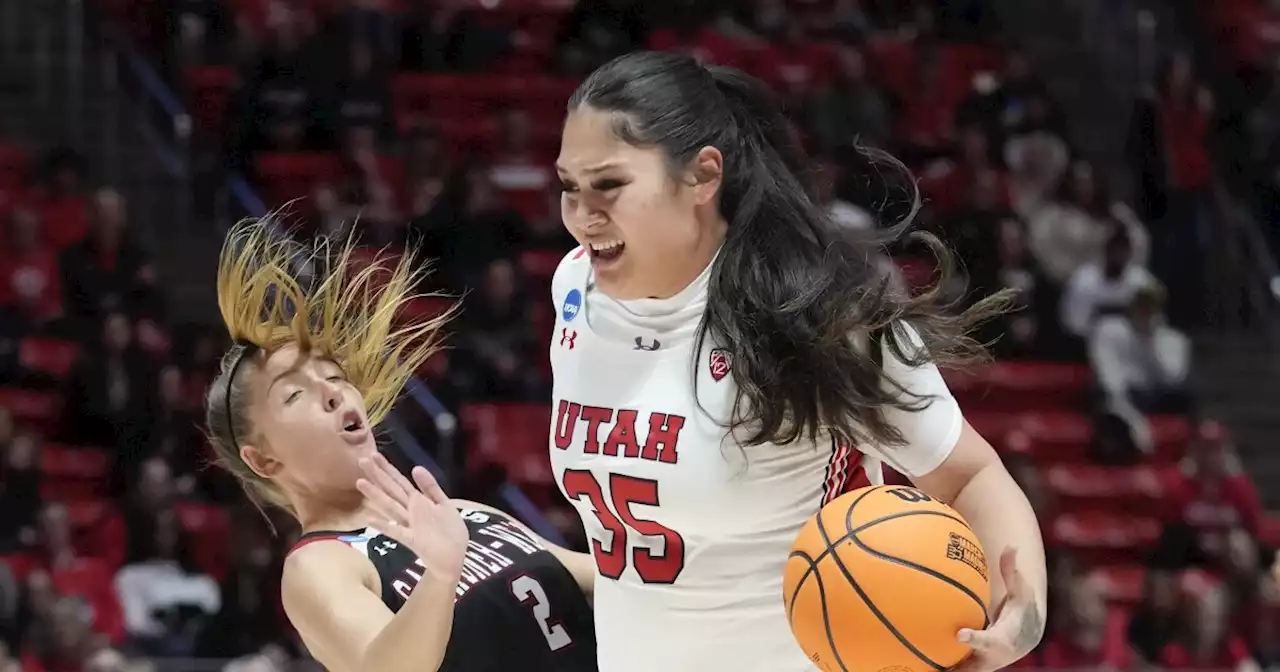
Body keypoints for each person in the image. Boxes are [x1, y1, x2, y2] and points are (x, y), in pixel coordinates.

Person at [549, 51, 1047, 671]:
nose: (581, 216)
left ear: (703, 176)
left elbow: (970, 476)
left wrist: (1021, 617)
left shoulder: (819, 315)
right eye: (570, 187)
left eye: (610, 185)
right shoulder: (575, 290)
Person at [202, 223, 598, 672]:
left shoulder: (463, 512)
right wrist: (441, 575)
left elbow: (607, 580)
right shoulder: (319, 563)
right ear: (264, 458)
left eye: (334, 378)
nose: (334, 394)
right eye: (294, 395)